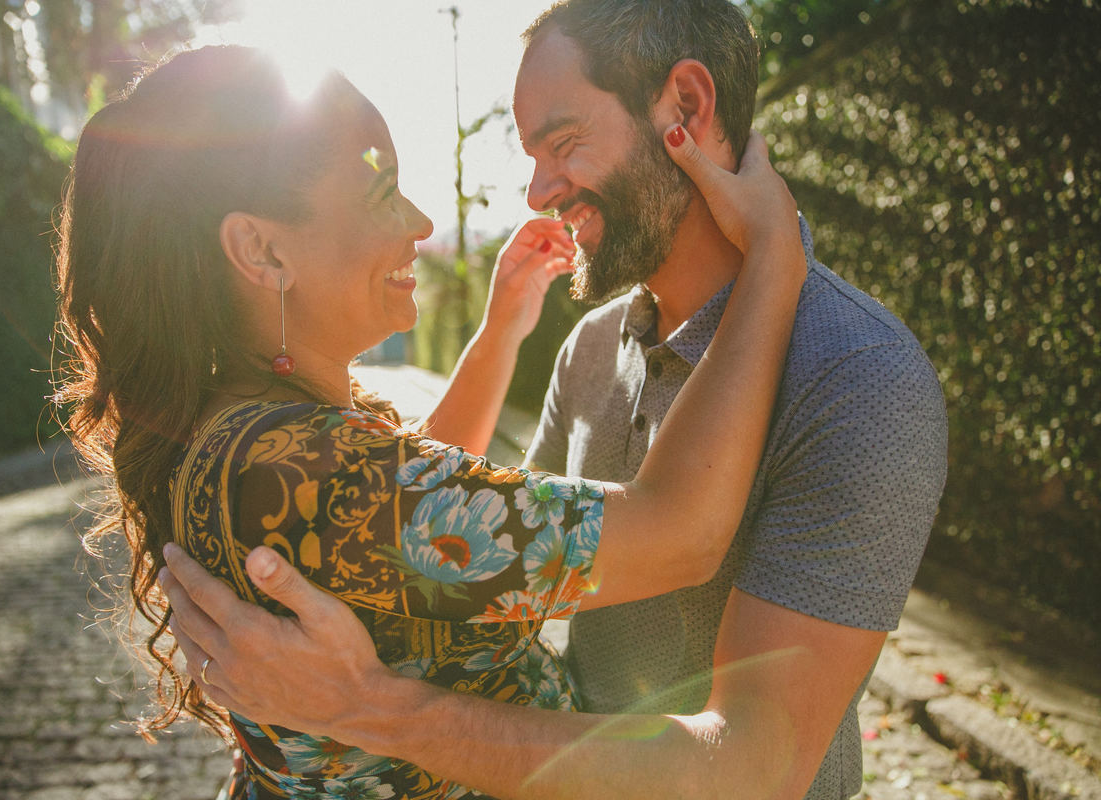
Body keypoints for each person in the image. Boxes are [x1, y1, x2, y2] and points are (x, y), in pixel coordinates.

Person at [160, 1, 949, 798]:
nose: (539, 191)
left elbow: (757, 770)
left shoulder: (859, 377)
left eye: (562, 142)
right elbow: (472, 550)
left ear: (687, 106)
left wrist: (362, 710)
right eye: (532, 153)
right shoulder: (592, 350)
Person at [56, 42, 809, 800]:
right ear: (260, 248)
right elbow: (681, 533)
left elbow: (412, 533)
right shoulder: (307, 472)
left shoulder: (245, 442)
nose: (418, 222)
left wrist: (502, 327)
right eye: (381, 192)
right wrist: (775, 257)